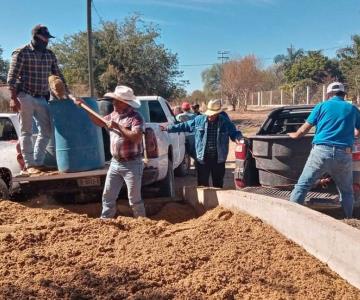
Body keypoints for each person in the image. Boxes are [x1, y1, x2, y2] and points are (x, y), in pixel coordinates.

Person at [288, 82, 360, 218]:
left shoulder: (321, 106)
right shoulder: (352, 109)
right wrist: (353, 135)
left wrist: (293, 135)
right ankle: (348, 220)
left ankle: (291, 216)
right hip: (344, 154)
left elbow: (303, 130)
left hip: (321, 152)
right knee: (346, 191)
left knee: (302, 186)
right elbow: (358, 131)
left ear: (328, 94)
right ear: (343, 95)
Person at [7, 24, 68, 175]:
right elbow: (12, 77)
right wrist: (13, 98)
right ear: (35, 38)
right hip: (25, 96)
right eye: (44, 38)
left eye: (48, 39)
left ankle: (38, 162)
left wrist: (67, 92)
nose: (47, 41)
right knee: (26, 131)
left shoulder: (49, 55)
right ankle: (29, 165)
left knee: (47, 130)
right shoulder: (22, 52)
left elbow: (57, 74)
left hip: (41, 97)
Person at [78, 85, 146, 218]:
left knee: (134, 199)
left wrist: (118, 127)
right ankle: (106, 222)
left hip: (132, 164)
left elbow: (137, 138)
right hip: (115, 163)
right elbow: (99, 121)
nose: (113, 102)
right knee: (108, 196)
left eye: (116, 100)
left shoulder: (136, 117)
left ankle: (143, 224)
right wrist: (84, 106)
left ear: (124, 103)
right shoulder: (113, 115)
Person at [162, 99, 242, 188]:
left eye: (213, 115)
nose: (210, 117)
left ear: (218, 113)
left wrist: (238, 138)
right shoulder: (199, 120)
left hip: (219, 159)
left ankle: (216, 201)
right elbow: (184, 126)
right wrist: (168, 128)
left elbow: (234, 133)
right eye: (209, 114)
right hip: (202, 158)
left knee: (218, 184)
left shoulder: (225, 122)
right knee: (202, 184)